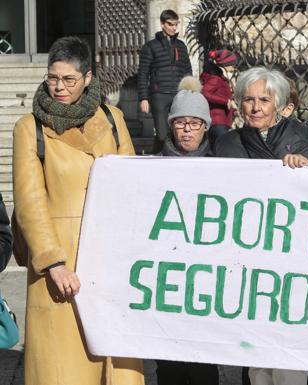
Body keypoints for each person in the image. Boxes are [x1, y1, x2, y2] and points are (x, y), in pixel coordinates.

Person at [12, 36, 143, 385]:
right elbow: (29, 201)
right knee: (63, 370)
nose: (59, 87)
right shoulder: (30, 128)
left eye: (69, 79)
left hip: (110, 262)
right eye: (53, 78)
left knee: (115, 368)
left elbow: (131, 183)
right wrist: (53, 262)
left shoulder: (112, 119)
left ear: (87, 78)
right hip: (59, 264)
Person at [215, 66, 308, 385]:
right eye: (248, 100)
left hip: (292, 262)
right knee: (255, 355)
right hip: (248, 262)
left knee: (290, 354)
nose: (255, 107)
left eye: (264, 100)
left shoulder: (303, 139)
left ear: (279, 104)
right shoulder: (228, 145)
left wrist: (306, 173)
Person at [155, 76, 219, 384]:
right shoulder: (151, 165)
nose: (188, 130)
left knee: (204, 363)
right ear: (171, 126)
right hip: (166, 279)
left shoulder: (225, 163)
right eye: (181, 123)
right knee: (168, 365)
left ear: (206, 126)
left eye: (195, 123)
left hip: (206, 281)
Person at [138, 9, 192, 153]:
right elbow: (143, 74)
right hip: (159, 95)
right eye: (170, 24)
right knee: (162, 134)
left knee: (177, 134)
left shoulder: (181, 46)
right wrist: (143, 98)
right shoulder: (150, 47)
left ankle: (166, 159)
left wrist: (191, 92)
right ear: (162, 24)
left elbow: (188, 71)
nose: (174, 28)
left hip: (179, 95)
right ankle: (156, 157)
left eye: (176, 24)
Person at [200, 49, 238, 149]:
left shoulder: (220, 78)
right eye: (232, 65)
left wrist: (233, 110)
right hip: (218, 122)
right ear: (225, 64)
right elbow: (205, 93)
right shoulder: (216, 78)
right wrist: (226, 102)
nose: (234, 68)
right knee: (222, 151)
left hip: (221, 121)